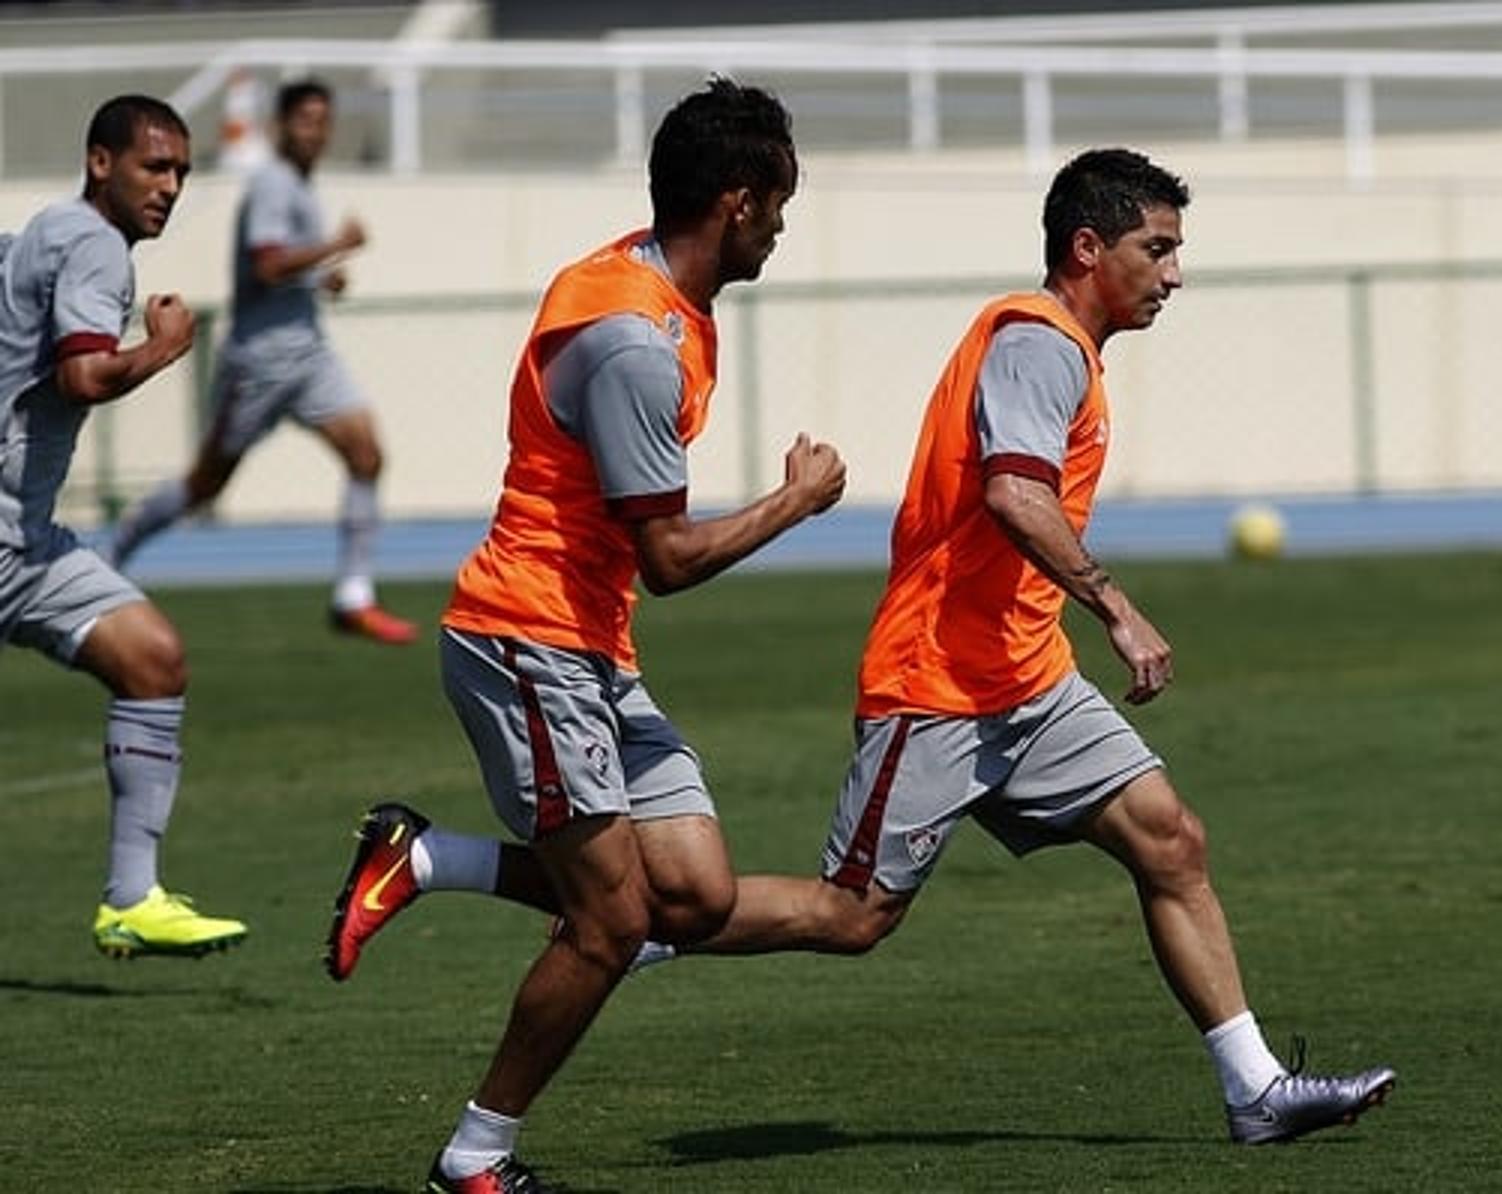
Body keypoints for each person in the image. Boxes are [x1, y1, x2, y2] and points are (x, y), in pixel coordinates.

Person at [329, 147, 1395, 1151]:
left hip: (1029, 681)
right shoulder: (1035, 341)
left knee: (1171, 841)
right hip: (939, 686)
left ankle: (1253, 1089)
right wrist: (1115, 605)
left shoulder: (1065, 351)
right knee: (850, 916)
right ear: (1088, 249)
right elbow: (1015, 492)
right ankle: (540, 900)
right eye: (1156, 248)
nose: (1174, 274)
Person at [326, 79, 844, 1192]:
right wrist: (795, 502)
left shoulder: (642, 279)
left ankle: (429, 858)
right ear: (738, 203)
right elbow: (669, 563)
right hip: (530, 644)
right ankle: (475, 1158)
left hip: (589, 652)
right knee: (612, 924)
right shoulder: (635, 347)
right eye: (781, 204)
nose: (785, 228)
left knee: (691, 899)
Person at [0, 96, 247, 958]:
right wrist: (168, 347)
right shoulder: (96, 246)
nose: (170, 186)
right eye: (154, 166)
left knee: (152, 658)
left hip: (22, 544)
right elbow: (84, 378)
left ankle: (131, 898)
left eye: (181, 170)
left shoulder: (47, 230)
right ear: (100, 161)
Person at [110, 79, 416, 644]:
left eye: (324, 121)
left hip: (307, 354)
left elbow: (282, 270)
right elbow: (269, 265)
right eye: (305, 120)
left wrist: (323, 277)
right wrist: (337, 246)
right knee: (206, 484)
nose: (316, 132)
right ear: (280, 127)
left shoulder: (299, 186)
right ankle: (120, 548)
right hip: (259, 363)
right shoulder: (273, 184)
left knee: (366, 453)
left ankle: (353, 596)